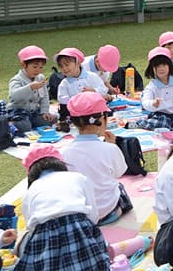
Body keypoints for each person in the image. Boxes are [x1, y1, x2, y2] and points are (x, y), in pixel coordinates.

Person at [17, 144, 108, 271]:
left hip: (45, 233)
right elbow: (93, 214)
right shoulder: (78, 177)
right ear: (60, 163)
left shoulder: (30, 190)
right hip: (79, 225)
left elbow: (30, 225)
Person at [62, 92, 131, 226]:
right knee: (119, 187)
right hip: (107, 211)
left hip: (80, 216)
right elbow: (119, 173)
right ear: (101, 119)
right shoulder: (109, 149)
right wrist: (112, 145)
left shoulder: (64, 153)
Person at [55, 47, 108, 132]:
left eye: (67, 64)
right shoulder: (65, 83)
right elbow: (62, 101)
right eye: (61, 66)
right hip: (75, 113)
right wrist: (76, 100)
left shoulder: (91, 76)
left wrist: (94, 91)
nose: (64, 68)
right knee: (67, 120)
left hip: (93, 110)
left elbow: (104, 90)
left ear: (78, 62)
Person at [7, 45, 56, 135]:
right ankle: (10, 123)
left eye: (41, 67)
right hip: (18, 111)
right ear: (23, 65)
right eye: (35, 67)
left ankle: (31, 122)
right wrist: (30, 87)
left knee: (50, 119)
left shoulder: (40, 77)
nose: (38, 70)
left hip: (33, 112)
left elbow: (44, 96)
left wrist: (44, 111)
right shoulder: (17, 80)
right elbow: (14, 96)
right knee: (25, 126)